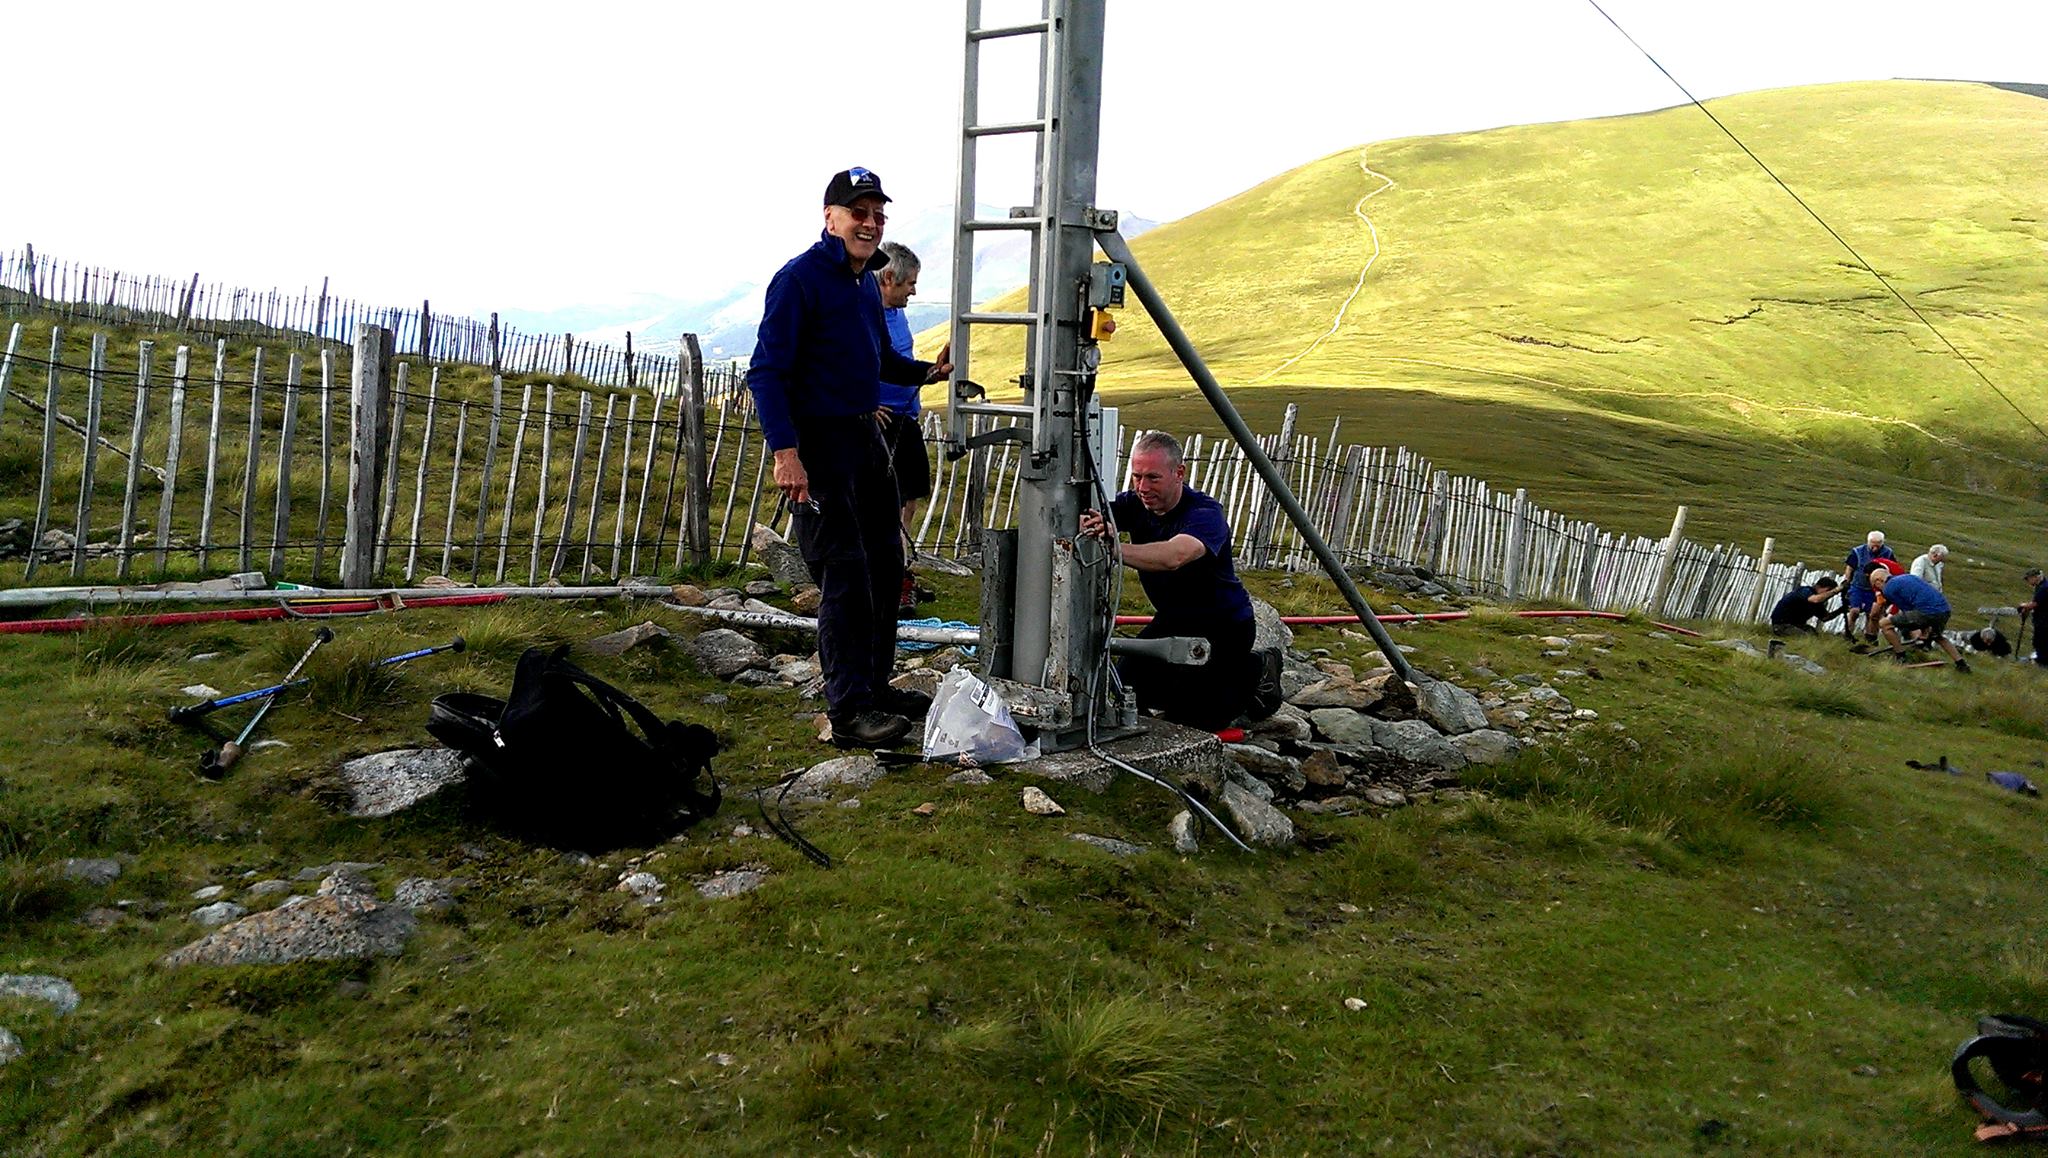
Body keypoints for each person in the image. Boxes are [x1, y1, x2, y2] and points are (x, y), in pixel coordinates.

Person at [748, 167, 949, 748]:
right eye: (858, 212)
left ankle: (877, 686)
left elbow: (878, 359)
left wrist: (927, 373)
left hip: (867, 441)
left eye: (878, 215)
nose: (870, 223)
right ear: (830, 217)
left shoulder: (867, 282)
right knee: (844, 575)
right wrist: (786, 453)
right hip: (819, 445)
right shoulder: (799, 281)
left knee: (886, 568)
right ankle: (848, 710)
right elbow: (767, 372)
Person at [1078, 431, 1259, 731]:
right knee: (1124, 683)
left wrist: (1114, 549)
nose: (1142, 487)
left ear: (1179, 473)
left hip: (1225, 626)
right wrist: (1095, 522)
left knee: (1193, 720)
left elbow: (1173, 556)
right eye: (1136, 477)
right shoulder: (1134, 503)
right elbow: (1101, 513)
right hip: (1174, 618)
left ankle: (1256, 672)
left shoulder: (1204, 513)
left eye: (1153, 478)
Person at [875, 241, 935, 617]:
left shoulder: (898, 314)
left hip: (905, 417)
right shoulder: (865, 313)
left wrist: (930, 372)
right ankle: (883, 579)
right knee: (881, 502)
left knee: (908, 498)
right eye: (910, 282)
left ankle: (899, 573)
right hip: (878, 421)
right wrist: (863, 402)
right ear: (889, 278)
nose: (914, 290)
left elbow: (900, 361)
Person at [1869, 567, 1968, 671]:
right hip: (1944, 610)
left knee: (1885, 624)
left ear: (1879, 580)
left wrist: (1923, 628)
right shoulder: (1908, 577)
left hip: (1927, 611)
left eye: (1875, 586)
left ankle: (1900, 656)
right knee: (1937, 636)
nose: (1878, 589)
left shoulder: (1888, 588)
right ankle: (1961, 663)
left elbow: (1907, 610)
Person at [1839, 531, 1897, 643]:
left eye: (1878, 545)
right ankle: (1847, 633)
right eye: (1873, 544)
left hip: (1875, 589)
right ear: (1868, 542)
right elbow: (1850, 568)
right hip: (1858, 586)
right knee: (1854, 611)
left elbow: (1891, 568)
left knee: (1872, 614)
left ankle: (1869, 638)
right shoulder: (1858, 551)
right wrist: (1847, 581)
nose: (1875, 548)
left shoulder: (1888, 553)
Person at [1769, 575, 1843, 636]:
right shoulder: (1805, 591)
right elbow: (1815, 599)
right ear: (1822, 588)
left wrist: (1840, 610)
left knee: (1814, 635)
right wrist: (1835, 591)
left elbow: (1825, 617)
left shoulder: (1818, 603)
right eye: (1827, 592)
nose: (1828, 596)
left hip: (1797, 625)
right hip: (1781, 625)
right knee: (1806, 637)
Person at [2018, 568, 2048, 667]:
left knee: (2041, 640)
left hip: (2044, 619)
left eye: (2029, 579)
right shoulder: (2040, 586)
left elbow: (2034, 604)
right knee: (2039, 640)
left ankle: (2042, 662)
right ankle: (2041, 660)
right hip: (2041, 618)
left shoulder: (2044, 588)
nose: (2028, 581)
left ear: (2036, 577)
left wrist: (2023, 605)